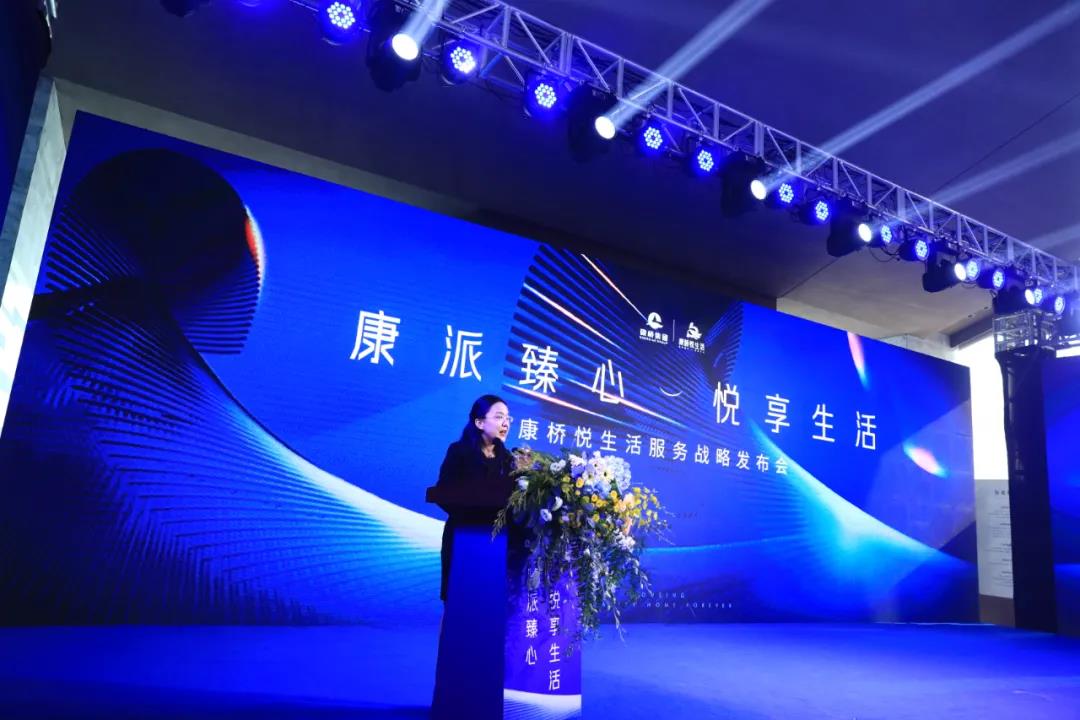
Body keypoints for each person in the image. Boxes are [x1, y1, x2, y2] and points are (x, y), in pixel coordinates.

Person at [434, 394, 515, 601]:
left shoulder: (509, 460)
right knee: (457, 602)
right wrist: (474, 512)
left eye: (508, 418)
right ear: (479, 422)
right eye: (499, 417)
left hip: (496, 542)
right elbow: (444, 492)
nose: (505, 423)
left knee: (486, 603)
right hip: (462, 537)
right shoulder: (459, 452)